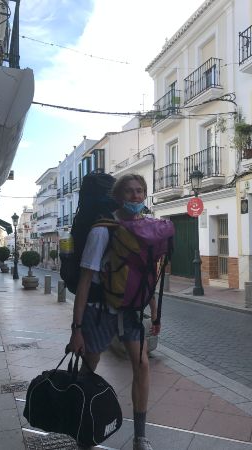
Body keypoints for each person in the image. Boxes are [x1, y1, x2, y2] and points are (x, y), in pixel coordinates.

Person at [69, 174, 162, 450]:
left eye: (140, 191)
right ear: (119, 196)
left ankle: (140, 436)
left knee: (142, 366)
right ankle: (82, 426)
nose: (136, 196)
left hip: (131, 311)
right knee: (90, 366)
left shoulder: (144, 230)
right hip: (99, 311)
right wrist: (76, 330)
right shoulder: (102, 231)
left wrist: (154, 313)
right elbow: (86, 280)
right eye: (130, 192)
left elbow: (148, 277)